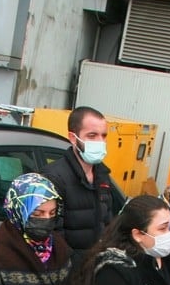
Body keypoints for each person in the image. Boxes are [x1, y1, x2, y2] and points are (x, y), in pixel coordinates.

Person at [41, 106, 118, 253]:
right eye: (92, 135)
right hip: (69, 268)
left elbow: (108, 223)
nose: (100, 142)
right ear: (72, 138)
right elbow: (52, 233)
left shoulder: (102, 175)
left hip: (95, 265)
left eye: (103, 135)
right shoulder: (54, 177)